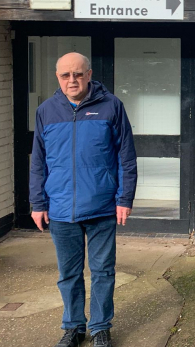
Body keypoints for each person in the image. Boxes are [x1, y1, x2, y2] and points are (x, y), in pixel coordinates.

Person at [29, 52, 137, 347]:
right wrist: (37, 203)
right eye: (66, 75)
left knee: (103, 271)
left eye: (78, 74)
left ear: (89, 75)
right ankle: (74, 327)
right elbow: (38, 161)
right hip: (61, 208)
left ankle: (100, 326)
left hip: (102, 206)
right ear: (58, 78)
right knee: (69, 274)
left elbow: (126, 157)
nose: (72, 80)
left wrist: (124, 198)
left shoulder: (111, 106)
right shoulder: (46, 111)